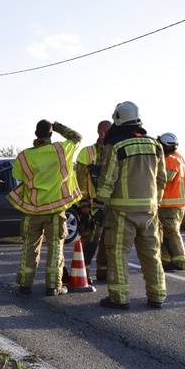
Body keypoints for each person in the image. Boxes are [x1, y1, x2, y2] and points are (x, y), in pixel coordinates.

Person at [93, 101, 166, 310]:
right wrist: (155, 200)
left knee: (117, 253)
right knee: (152, 254)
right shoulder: (155, 145)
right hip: (150, 210)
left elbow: (108, 179)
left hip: (121, 211)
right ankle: (157, 294)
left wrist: (99, 204)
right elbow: (161, 179)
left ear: (117, 118)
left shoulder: (116, 146)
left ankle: (119, 297)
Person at [9, 120, 82, 296]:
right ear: (51, 135)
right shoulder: (61, 150)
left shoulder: (24, 156)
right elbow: (77, 137)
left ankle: (25, 285)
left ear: (35, 134)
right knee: (55, 247)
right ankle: (53, 286)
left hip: (32, 210)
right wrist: (58, 127)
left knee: (29, 247)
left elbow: (17, 175)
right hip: (55, 210)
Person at [74, 120, 112, 283]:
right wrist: (83, 203)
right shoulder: (86, 153)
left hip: (109, 206)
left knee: (107, 240)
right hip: (90, 206)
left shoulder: (115, 152)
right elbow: (80, 180)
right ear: (101, 133)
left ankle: (103, 271)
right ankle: (84, 271)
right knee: (89, 240)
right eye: (109, 131)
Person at [157, 133, 185, 271]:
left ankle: (180, 260)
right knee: (166, 232)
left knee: (172, 232)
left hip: (170, 204)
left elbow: (166, 178)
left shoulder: (170, 159)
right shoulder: (178, 157)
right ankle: (166, 259)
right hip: (173, 203)